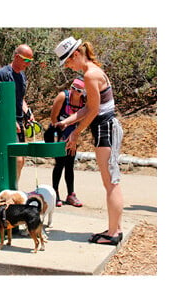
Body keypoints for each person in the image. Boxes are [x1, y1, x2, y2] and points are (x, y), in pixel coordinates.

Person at [54, 37, 124, 245]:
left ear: (75, 54)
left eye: (67, 61)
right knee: (110, 180)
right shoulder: (92, 72)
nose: (68, 66)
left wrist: (75, 133)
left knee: (111, 182)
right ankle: (114, 228)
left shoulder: (90, 75)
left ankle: (113, 234)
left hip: (105, 128)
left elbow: (93, 110)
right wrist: (68, 121)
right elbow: (88, 108)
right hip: (104, 128)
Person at [0, 44, 34, 180]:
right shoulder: (3, 74)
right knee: (16, 160)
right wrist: (10, 121)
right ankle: (9, 189)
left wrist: (28, 113)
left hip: (19, 122)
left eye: (30, 61)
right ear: (17, 57)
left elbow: (20, 98)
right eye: (26, 60)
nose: (27, 64)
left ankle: (14, 187)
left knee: (21, 160)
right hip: (7, 124)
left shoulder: (22, 76)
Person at [46, 78, 86, 207]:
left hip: (72, 132)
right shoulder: (63, 96)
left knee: (70, 162)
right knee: (59, 163)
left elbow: (83, 120)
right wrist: (60, 136)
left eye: (78, 90)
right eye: (73, 87)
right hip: (58, 129)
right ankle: (55, 192)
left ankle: (71, 194)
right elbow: (53, 117)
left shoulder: (84, 101)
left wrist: (75, 137)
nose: (74, 91)